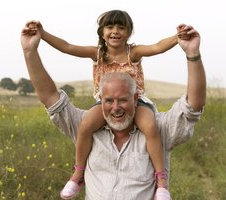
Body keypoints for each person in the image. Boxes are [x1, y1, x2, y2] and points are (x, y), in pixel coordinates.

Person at [21, 22, 206, 200]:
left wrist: (185, 46)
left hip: (142, 105)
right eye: (109, 100)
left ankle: (161, 182)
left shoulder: (160, 128)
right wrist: (33, 46)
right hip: (100, 110)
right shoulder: (98, 55)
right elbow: (65, 53)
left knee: (150, 126)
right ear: (102, 33)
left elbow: (192, 106)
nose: (116, 107)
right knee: (85, 125)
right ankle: (78, 173)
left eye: (123, 100)